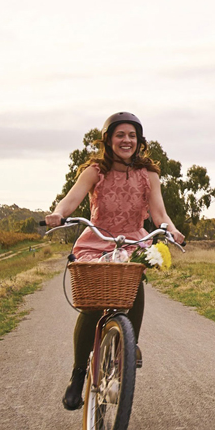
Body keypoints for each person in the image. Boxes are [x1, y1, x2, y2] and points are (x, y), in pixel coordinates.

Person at [45, 112, 185, 410]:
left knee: (132, 283)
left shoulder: (148, 174)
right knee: (94, 304)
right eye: (120, 135)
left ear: (139, 141)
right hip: (97, 239)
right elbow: (71, 200)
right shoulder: (95, 171)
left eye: (132, 136)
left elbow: (159, 214)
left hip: (133, 238)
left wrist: (171, 229)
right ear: (108, 140)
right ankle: (78, 373)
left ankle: (127, 347)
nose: (126, 140)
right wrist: (58, 214)